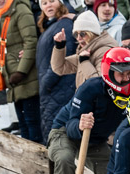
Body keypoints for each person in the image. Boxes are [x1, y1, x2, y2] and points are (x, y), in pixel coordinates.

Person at [46, 47, 130, 174]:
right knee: (64, 159)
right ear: (109, 72)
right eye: (122, 74)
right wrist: (80, 125)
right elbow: (71, 122)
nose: (127, 79)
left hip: (95, 142)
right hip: (65, 133)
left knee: (117, 172)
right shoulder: (91, 88)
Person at [0, 0, 43, 143]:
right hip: (13, 79)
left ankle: (38, 163)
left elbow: (31, 42)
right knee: (24, 125)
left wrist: (21, 71)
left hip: (26, 77)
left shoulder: (19, 9)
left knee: (33, 125)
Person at [36, 0, 76, 139]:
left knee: (56, 135)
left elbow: (65, 56)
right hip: (53, 90)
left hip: (60, 88)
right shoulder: (54, 24)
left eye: (52, 1)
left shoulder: (64, 25)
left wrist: (46, 83)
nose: (48, 5)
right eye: (44, 3)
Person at [50, 10, 116, 88]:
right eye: (75, 34)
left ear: (93, 33)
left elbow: (99, 85)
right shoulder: (86, 52)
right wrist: (59, 46)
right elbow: (59, 68)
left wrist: (84, 62)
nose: (78, 38)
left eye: (82, 34)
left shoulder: (104, 52)